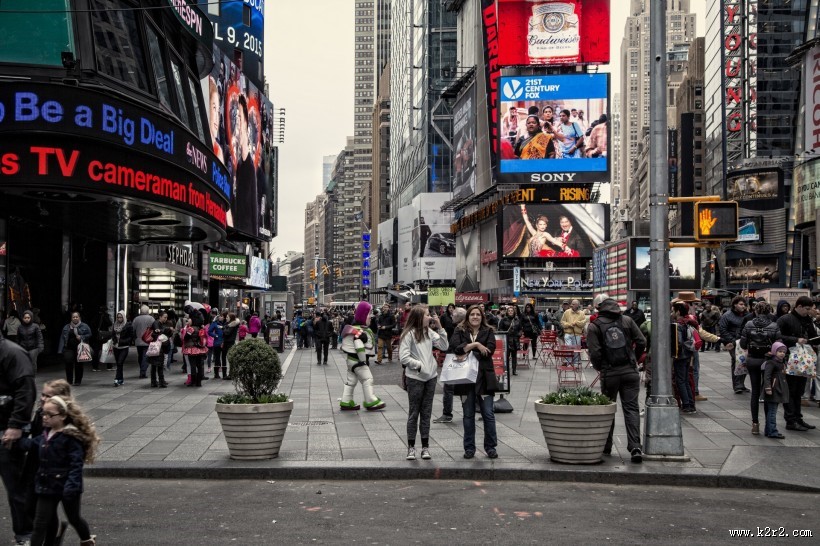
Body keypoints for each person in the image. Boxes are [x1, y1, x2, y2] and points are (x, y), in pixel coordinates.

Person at [21, 395, 99, 546]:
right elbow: (30, 444)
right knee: (39, 524)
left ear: (63, 416)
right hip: (46, 486)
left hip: (67, 487)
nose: (45, 418)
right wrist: (16, 441)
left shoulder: (70, 437)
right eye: (43, 413)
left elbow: (76, 465)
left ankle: (87, 539)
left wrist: (71, 486)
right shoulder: (45, 435)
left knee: (73, 517)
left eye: (50, 415)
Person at [587, 296, 646, 463]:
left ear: (600, 309)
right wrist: (634, 358)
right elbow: (642, 340)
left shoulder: (594, 326)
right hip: (629, 371)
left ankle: (606, 446)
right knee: (632, 409)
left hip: (610, 373)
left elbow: (595, 353)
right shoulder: (626, 320)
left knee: (608, 409)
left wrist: (601, 367)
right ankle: (635, 447)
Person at [23, 379, 72, 546]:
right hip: (35, 465)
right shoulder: (41, 413)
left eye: (48, 396)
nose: (43, 398)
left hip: (50, 471)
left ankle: (50, 541)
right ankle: (54, 535)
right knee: (32, 507)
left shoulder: (61, 421)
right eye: (42, 395)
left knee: (42, 514)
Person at [0, 331, 36, 545]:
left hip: (6, 431)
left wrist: (16, 425)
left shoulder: (12, 353)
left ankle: (25, 533)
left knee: (16, 487)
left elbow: (25, 389)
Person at [449, 305, 498, 459]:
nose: (475, 317)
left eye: (478, 314)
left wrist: (467, 349)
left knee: (488, 414)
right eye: (472, 315)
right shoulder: (459, 330)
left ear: (482, 317)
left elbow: (489, 351)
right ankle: (469, 448)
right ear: (468, 317)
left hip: (484, 379)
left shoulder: (489, 331)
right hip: (465, 380)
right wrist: (476, 345)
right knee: (468, 415)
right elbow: (455, 348)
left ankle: (491, 447)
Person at [400, 305, 448, 461]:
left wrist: (440, 328)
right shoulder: (409, 334)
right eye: (427, 315)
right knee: (414, 412)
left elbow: (444, 346)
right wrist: (419, 366)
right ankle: (411, 447)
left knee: (426, 413)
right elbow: (404, 357)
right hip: (415, 378)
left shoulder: (429, 332)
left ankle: (425, 447)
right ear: (419, 317)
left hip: (431, 377)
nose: (430, 317)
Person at [739, 301, 781, 435]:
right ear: (769, 312)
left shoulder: (748, 324)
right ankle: (769, 426)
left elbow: (743, 344)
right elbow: (779, 345)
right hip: (768, 361)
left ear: (756, 311)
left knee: (755, 392)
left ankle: (755, 424)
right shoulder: (774, 325)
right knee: (768, 392)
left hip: (752, 360)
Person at [776, 296, 817, 432]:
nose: (808, 311)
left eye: (809, 309)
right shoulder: (785, 319)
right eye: (806, 309)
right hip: (790, 358)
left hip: (803, 360)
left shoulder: (807, 320)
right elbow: (777, 336)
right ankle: (791, 420)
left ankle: (798, 418)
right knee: (791, 390)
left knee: (799, 390)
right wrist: (795, 339)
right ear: (798, 306)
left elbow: (812, 337)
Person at [339, 301, 386, 411]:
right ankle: (370, 400)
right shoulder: (360, 332)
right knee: (368, 379)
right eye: (369, 314)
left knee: (351, 382)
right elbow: (358, 345)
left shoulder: (355, 329)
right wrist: (363, 360)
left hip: (351, 361)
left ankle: (346, 400)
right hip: (358, 360)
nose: (371, 316)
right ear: (363, 315)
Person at [434, 307, 466, 424]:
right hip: (457, 359)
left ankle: (447, 414)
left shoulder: (460, 328)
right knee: (462, 387)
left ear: (458, 317)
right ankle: (467, 412)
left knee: (449, 387)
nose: (451, 316)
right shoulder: (461, 327)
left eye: (453, 315)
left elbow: (453, 344)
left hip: (455, 360)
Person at [718, 296, 750, 394]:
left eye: (744, 304)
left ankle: (741, 384)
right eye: (741, 304)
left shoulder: (747, 315)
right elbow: (722, 329)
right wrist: (732, 340)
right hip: (733, 343)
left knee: (745, 362)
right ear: (735, 304)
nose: (743, 306)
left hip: (745, 342)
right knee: (737, 362)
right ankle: (737, 385)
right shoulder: (727, 315)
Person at [671, 302, 697, 413]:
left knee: (680, 381)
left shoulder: (678, 325)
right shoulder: (687, 323)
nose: (672, 313)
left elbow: (678, 342)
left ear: (678, 311)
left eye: (673, 310)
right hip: (688, 354)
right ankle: (691, 404)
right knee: (686, 380)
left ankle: (686, 405)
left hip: (680, 356)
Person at [763, 342, 789, 439]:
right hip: (774, 389)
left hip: (778, 389)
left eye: (783, 352)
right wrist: (768, 388)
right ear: (775, 351)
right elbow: (767, 376)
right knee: (772, 411)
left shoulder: (781, 362)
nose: (782, 353)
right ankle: (772, 431)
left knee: (771, 410)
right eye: (779, 351)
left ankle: (768, 430)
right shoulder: (771, 362)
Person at [57, 312, 92, 387]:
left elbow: (89, 334)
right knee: (68, 362)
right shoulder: (66, 327)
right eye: (73, 317)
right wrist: (60, 349)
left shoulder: (84, 326)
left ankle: (77, 381)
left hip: (80, 348)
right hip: (68, 348)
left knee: (78, 364)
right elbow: (62, 338)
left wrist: (82, 337)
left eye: (76, 317)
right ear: (71, 318)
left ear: (79, 318)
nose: (75, 318)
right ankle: (69, 380)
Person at [181, 313, 208, 387]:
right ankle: (199, 382)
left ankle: (193, 381)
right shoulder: (201, 328)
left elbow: (185, 338)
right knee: (199, 366)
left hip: (191, 349)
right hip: (200, 349)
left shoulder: (191, 328)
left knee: (193, 365)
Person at [110, 311, 134, 388]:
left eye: (121, 317)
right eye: (118, 317)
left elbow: (131, 337)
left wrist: (123, 341)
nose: (119, 319)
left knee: (120, 362)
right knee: (118, 364)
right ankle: (121, 379)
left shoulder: (128, 325)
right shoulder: (115, 325)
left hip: (124, 347)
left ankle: (116, 379)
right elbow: (113, 334)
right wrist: (114, 340)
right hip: (116, 346)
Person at [132, 305, 155, 380]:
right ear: (148, 311)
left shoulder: (136, 319)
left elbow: (133, 329)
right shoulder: (151, 318)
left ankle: (142, 368)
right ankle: (143, 371)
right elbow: (154, 328)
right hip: (147, 340)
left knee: (140, 355)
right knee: (146, 356)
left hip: (138, 340)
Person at [498, 305, 522, 376]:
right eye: (509, 311)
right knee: (506, 356)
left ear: (514, 312)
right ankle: (506, 370)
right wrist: (505, 333)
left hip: (515, 340)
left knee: (514, 356)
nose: (510, 312)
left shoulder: (517, 320)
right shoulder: (503, 320)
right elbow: (500, 329)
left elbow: (520, 329)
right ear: (507, 312)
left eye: (512, 311)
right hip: (507, 340)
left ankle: (514, 370)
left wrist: (519, 334)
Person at [561, 299, 587, 364]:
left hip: (577, 334)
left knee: (576, 348)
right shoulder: (567, 312)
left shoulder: (582, 313)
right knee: (568, 347)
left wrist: (576, 323)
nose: (571, 305)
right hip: (568, 333)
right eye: (571, 304)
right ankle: (568, 361)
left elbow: (583, 323)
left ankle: (575, 362)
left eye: (573, 304)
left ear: (577, 305)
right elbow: (562, 322)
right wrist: (569, 325)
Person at [90, 306, 112, 372]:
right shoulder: (105, 316)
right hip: (104, 335)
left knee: (96, 351)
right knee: (107, 350)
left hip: (97, 336)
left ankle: (95, 366)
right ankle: (109, 366)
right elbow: (109, 323)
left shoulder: (96, 316)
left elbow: (92, 324)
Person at [220, 313, 240, 381]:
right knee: (223, 358)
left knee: (230, 359)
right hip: (226, 343)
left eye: (228, 317)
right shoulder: (227, 324)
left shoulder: (232, 325)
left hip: (230, 343)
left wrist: (223, 328)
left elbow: (227, 333)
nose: (226, 318)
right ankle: (224, 374)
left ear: (231, 318)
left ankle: (231, 374)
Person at [208, 314, 226, 379]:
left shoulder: (225, 323)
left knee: (224, 358)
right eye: (220, 316)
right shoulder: (215, 323)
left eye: (222, 316)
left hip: (224, 342)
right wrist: (215, 335)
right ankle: (216, 374)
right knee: (217, 359)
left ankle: (224, 374)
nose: (221, 317)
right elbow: (209, 331)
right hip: (217, 343)